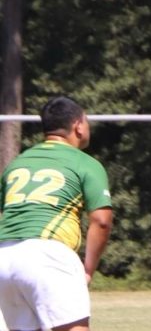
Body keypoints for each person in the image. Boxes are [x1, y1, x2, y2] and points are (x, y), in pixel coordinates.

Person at [0, 95, 114, 331]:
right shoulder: (85, 163)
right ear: (78, 126)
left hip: (4, 257)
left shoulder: (17, 163)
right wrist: (88, 270)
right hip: (47, 255)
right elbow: (102, 222)